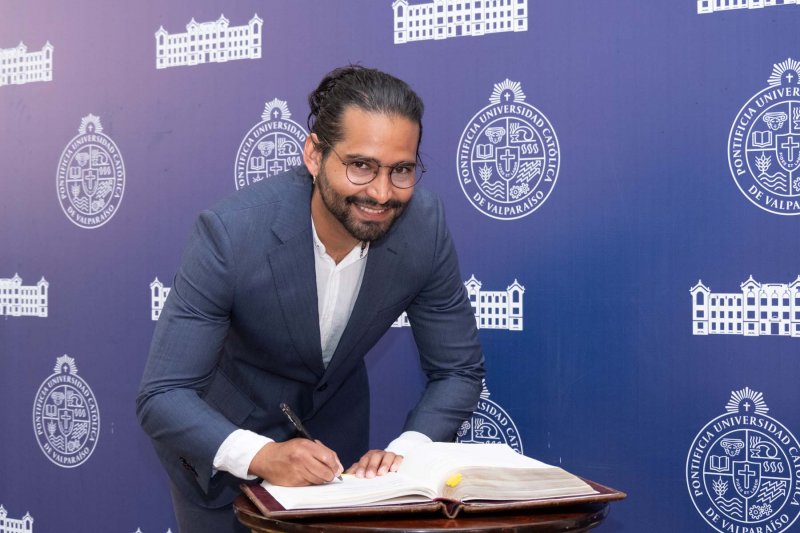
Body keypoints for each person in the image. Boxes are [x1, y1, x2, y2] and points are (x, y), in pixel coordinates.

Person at [136, 65, 485, 533]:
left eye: (401, 170)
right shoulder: (231, 233)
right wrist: (261, 454)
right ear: (315, 155)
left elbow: (458, 371)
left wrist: (408, 452)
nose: (382, 193)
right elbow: (163, 394)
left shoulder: (424, 225)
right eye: (361, 166)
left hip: (339, 460)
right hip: (224, 453)